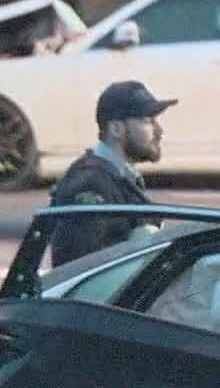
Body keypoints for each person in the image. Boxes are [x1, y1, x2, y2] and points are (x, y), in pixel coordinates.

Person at [47, 80, 175, 267]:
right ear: (116, 129)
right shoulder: (89, 182)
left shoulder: (120, 174)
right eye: (148, 121)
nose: (159, 131)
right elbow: (79, 267)